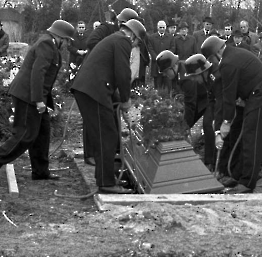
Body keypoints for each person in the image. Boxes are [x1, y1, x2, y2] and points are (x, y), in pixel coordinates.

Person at [0, 20, 75, 180]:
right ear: (60, 37)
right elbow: (37, 73)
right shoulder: (46, 44)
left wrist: (45, 101)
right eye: (66, 40)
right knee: (25, 134)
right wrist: (39, 100)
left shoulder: (50, 45)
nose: (66, 44)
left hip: (34, 95)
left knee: (42, 132)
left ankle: (40, 172)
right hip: (27, 96)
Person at [71, 19, 146, 194]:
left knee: (105, 134)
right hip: (93, 91)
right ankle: (106, 183)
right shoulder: (122, 41)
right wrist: (126, 101)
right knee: (107, 135)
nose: (135, 46)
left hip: (91, 90)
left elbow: (110, 72)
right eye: (137, 43)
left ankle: (106, 177)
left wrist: (120, 99)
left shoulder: (114, 39)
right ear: (134, 35)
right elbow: (122, 73)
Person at [201, 36, 262, 194]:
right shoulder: (235, 54)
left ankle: (247, 183)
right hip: (258, 95)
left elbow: (229, 96)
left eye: (211, 58)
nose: (213, 62)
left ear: (216, 53)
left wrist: (225, 122)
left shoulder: (227, 63)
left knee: (252, 138)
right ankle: (238, 176)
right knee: (246, 135)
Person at [156, 51, 216, 171]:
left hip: (210, 98)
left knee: (207, 125)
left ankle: (211, 162)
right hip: (198, 99)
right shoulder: (177, 72)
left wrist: (185, 125)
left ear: (172, 67)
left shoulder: (186, 77)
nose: (164, 75)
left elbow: (190, 105)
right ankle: (180, 153)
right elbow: (177, 96)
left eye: (165, 72)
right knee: (181, 125)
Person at [148, 20, 175, 91]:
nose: (162, 29)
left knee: (168, 86)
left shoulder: (170, 38)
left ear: (165, 28)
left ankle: (168, 100)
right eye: (160, 27)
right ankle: (157, 100)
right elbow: (150, 49)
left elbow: (172, 48)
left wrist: (166, 58)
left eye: (163, 27)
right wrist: (157, 59)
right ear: (157, 28)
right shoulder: (152, 37)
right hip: (156, 65)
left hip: (167, 66)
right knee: (157, 86)